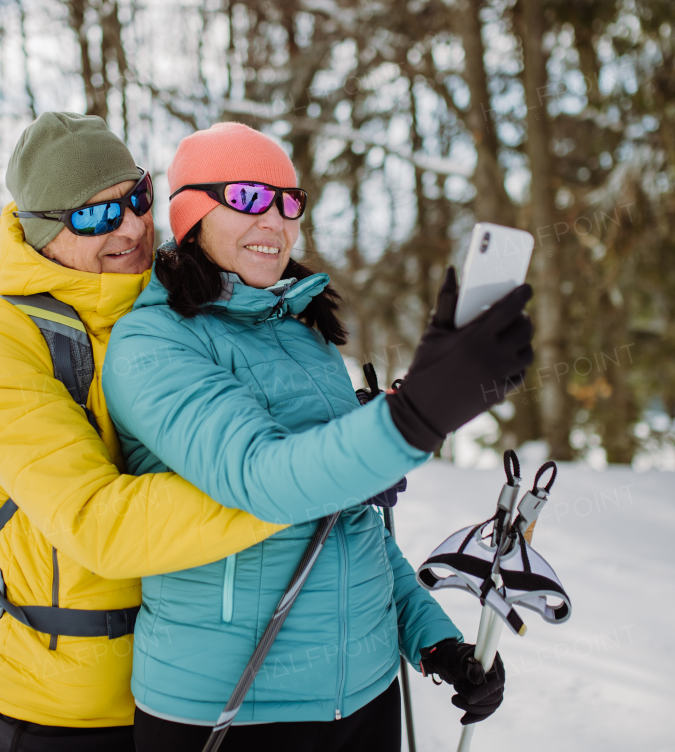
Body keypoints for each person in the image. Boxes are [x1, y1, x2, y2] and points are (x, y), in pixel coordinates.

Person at [102, 122, 535, 752]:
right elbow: (260, 479)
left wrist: (434, 641)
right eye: (249, 198)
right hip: (231, 711)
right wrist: (413, 416)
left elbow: (349, 524)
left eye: (289, 202)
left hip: (362, 696)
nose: (274, 221)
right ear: (191, 212)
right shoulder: (154, 343)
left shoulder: (305, 338)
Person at [0, 112, 290, 752]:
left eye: (138, 199)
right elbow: (98, 523)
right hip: (62, 716)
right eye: (96, 216)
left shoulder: (174, 305)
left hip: (193, 696)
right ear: (44, 234)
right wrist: (306, 482)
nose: (132, 227)